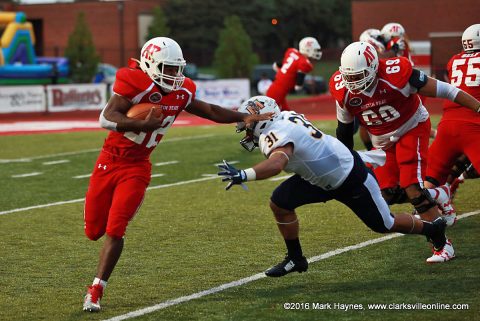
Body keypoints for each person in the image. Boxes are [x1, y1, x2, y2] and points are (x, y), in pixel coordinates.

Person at [82, 37, 272, 312]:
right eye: (168, 68)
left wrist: (242, 116)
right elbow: (105, 118)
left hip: (137, 167)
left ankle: (96, 290)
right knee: (93, 231)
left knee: (116, 229)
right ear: (149, 64)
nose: (174, 75)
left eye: (176, 68)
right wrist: (140, 123)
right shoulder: (134, 82)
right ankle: (96, 273)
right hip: (108, 163)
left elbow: (208, 110)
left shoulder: (182, 91)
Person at [217, 95, 449, 277]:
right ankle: (296, 258)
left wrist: (243, 175)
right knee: (280, 202)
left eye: (248, 124)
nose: (246, 131)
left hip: (349, 177)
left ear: (263, 118)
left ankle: (433, 230)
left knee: (384, 224)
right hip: (319, 178)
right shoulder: (285, 117)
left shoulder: (275, 132)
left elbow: (277, 163)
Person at [329, 42, 480, 261]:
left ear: (373, 67)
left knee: (413, 189)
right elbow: (344, 130)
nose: (352, 82)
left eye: (358, 75)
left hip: (412, 127)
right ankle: (440, 194)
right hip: (382, 141)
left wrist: (477, 106)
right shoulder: (343, 91)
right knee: (387, 194)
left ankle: (442, 245)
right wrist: (345, 163)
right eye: (348, 76)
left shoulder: (396, 74)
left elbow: (444, 89)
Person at [425, 24, 480, 205]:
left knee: (429, 181)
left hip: (448, 124)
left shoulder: (453, 60)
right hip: (474, 124)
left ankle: (426, 210)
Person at [266, 36, 322, 110]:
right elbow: (298, 86)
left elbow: (277, 65)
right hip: (278, 92)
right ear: (307, 49)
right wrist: (300, 84)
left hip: (274, 87)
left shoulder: (291, 52)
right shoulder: (304, 63)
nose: (316, 52)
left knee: (286, 113)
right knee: (271, 114)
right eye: (314, 50)